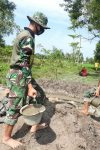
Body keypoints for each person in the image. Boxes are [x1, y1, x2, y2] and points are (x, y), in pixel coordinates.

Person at [0, 12, 50, 149]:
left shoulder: (25, 35)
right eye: (42, 28)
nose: (42, 31)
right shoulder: (28, 38)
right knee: (15, 105)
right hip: (19, 75)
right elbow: (24, 64)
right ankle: (7, 138)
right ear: (36, 24)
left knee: (40, 94)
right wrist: (29, 86)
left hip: (21, 73)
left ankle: (34, 125)